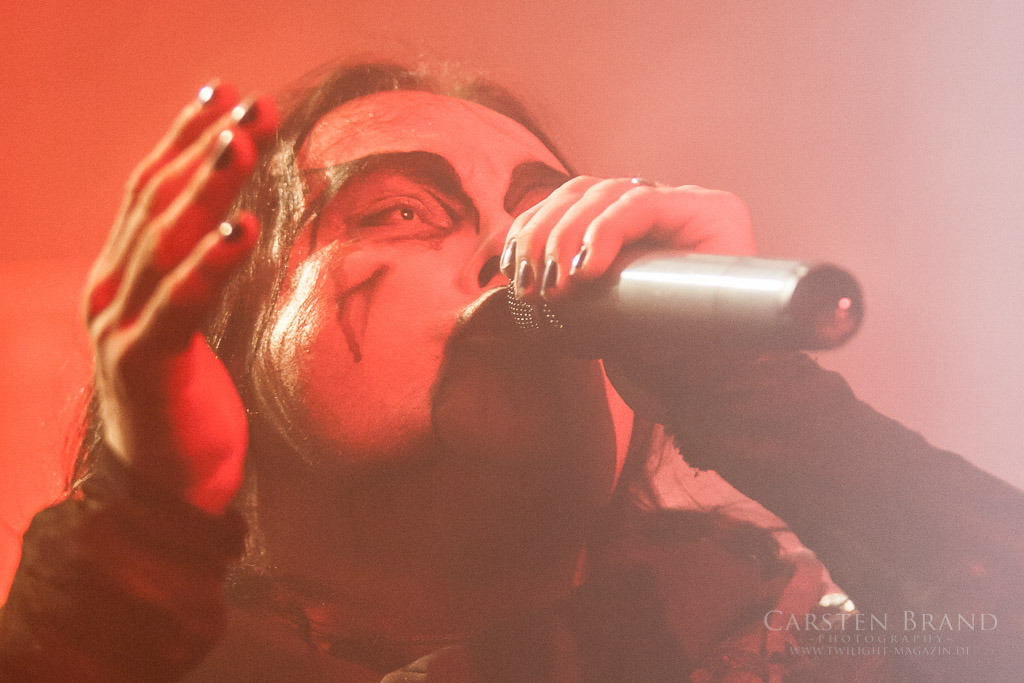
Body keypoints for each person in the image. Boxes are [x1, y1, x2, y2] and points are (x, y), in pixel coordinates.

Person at [0, 60, 1021, 683]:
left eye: (548, 217)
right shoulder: (109, 652)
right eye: (402, 210)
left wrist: (762, 396)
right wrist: (140, 525)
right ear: (233, 329)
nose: (512, 254)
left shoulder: (831, 648)